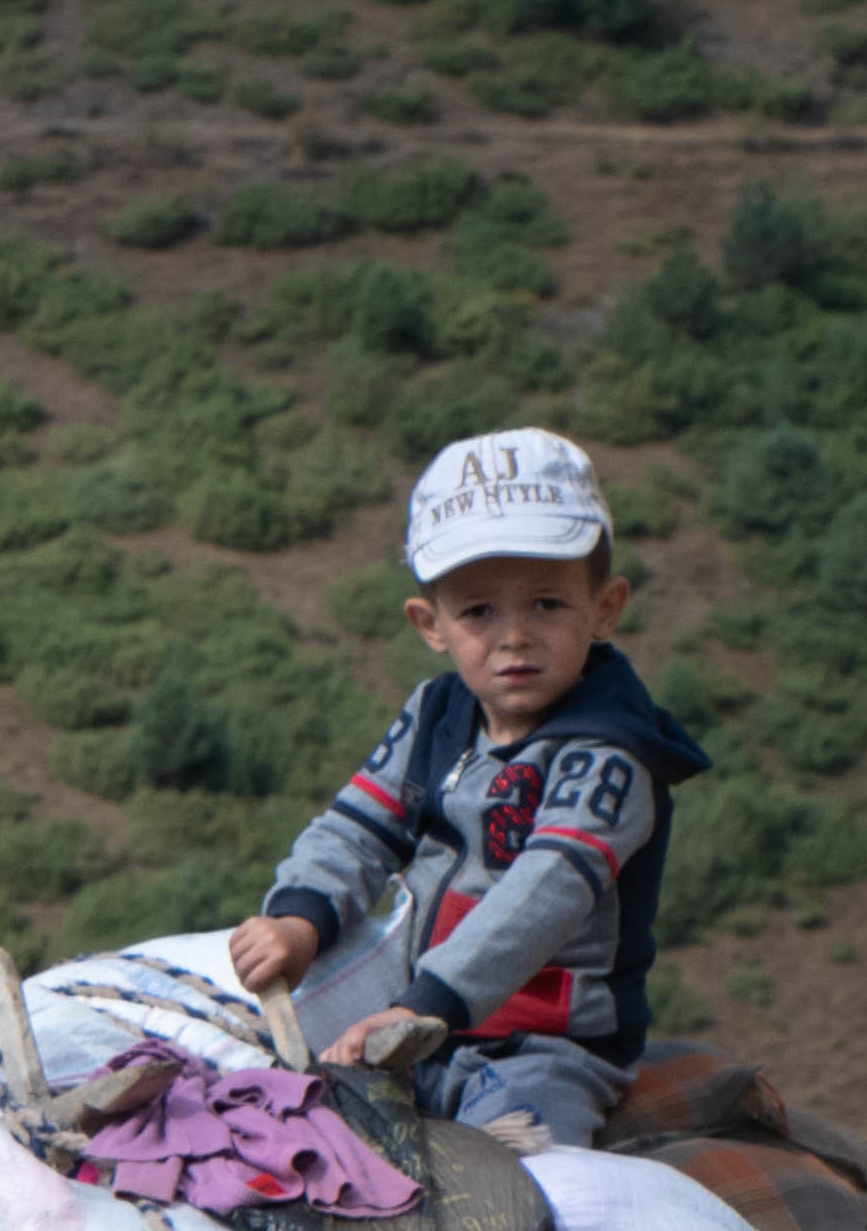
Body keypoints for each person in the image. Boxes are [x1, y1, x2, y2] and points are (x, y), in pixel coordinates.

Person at [224, 425, 710, 1149]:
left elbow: (542, 896)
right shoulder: (434, 715)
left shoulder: (612, 751)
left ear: (604, 608)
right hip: (408, 1009)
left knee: (519, 1195)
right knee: (257, 1113)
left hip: (540, 1042)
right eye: (480, 611)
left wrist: (428, 1005)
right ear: (432, 625)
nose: (515, 635)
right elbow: (357, 829)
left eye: (548, 604)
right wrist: (300, 919)